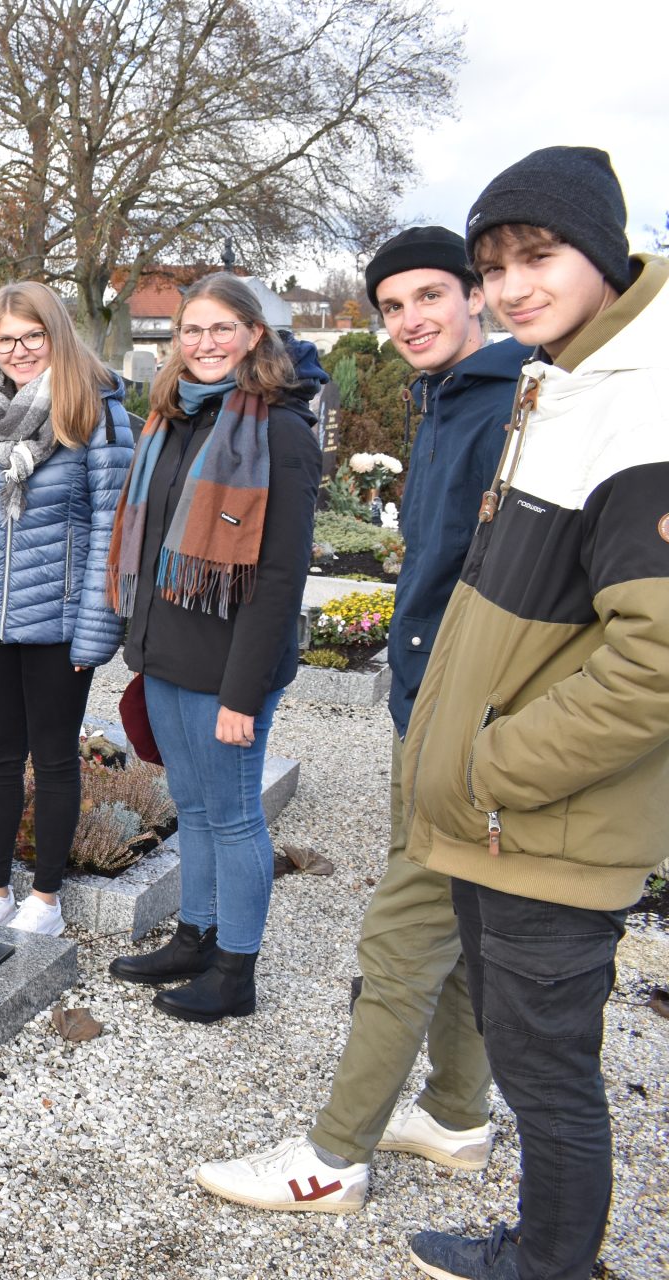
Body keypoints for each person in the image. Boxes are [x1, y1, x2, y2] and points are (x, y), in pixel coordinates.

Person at [194, 227, 534, 1212]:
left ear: (476, 295)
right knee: (463, 922)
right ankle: (459, 1110)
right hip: (429, 699)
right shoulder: (452, 398)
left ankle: (334, 1156)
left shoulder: (506, 406)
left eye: (431, 295)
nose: (411, 319)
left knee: (403, 931)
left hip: (465, 722)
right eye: (392, 306)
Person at [397, 147, 669, 1280]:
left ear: (601, 252)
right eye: (493, 263)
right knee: (527, 1056)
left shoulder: (641, 401)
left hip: (541, 824)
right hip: (504, 818)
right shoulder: (566, 373)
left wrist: (491, 765)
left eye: (538, 255)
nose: (511, 286)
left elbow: (655, 658)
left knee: (549, 1073)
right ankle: (543, 1242)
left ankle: (551, 1262)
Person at [103, 272, 322, 1021]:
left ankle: (236, 971)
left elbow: (281, 577)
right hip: (166, 655)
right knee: (191, 807)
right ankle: (194, 936)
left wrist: (243, 693)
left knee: (233, 816)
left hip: (231, 667)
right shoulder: (172, 420)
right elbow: (149, 537)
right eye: (190, 331)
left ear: (254, 335)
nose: (203, 344)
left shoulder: (281, 432)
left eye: (220, 330)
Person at [0, 280, 134, 935]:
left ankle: (45, 898)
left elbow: (113, 524)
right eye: (6, 339)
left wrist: (94, 633)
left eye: (32, 337)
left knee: (52, 759)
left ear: (56, 336)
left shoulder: (92, 411)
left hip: (61, 621)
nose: (18, 351)